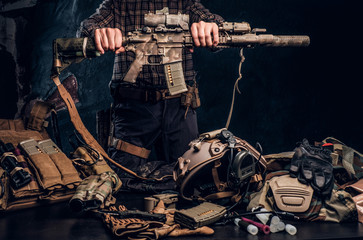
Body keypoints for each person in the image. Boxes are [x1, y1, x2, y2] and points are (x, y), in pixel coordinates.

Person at [77, 0, 224, 191]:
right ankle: (161, 180)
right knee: (123, 178)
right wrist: (98, 33)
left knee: (191, 177)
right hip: (134, 108)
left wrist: (211, 27)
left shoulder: (184, 3)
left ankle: (159, 181)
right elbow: (87, 27)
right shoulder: (120, 4)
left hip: (180, 108)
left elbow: (216, 25)